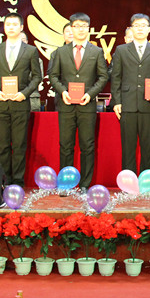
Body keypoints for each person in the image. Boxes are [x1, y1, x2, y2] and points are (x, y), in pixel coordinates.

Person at [49, 13, 109, 189]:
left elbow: (103, 77)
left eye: (84, 26)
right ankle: (65, 183)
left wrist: (90, 94)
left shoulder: (96, 52)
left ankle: (85, 185)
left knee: (87, 146)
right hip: (66, 105)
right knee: (65, 145)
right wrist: (63, 91)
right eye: (77, 26)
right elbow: (53, 76)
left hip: (87, 105)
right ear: (71, 28)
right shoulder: (60, 52)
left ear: (89, 29)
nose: (80, 29)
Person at [0, 14, 42, 186]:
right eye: (8, 24)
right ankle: (4, 180)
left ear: (21, 27)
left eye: (15, 24)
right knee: (2, 145)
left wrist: (25, 93)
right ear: (4, 27)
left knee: (19, 145)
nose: (11, 27)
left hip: (20, 102)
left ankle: (17, 181)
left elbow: (37, 77)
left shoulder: (30, 50)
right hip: (0, 103)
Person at [111, 13, 150, 173]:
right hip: (127, 104)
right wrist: (117, 102)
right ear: (131, 29)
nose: (140, 29)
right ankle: (128, 181)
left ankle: (146, 181)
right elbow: (116, 77)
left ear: (149, 29)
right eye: (136, 26)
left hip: (148, 104)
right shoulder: (121, 50)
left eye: (143, 26)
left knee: (148, 147)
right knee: (128, 147)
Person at [47, 22, 73, 111]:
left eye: (72, 31)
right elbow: (51, 74)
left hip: (83, 96)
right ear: (63, 35)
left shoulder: (86, 53)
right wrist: (63, 90)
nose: (70, 33)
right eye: (67, 31)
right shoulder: (56, 54)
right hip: (62, 96)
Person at [19, 32, 43, 112]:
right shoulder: (7, 58)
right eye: (18, 39)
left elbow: (38, 78)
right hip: (12, 96)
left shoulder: (37, 60)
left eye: (23, 40)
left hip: (32, 97)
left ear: (27, 41)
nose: (21, 42)